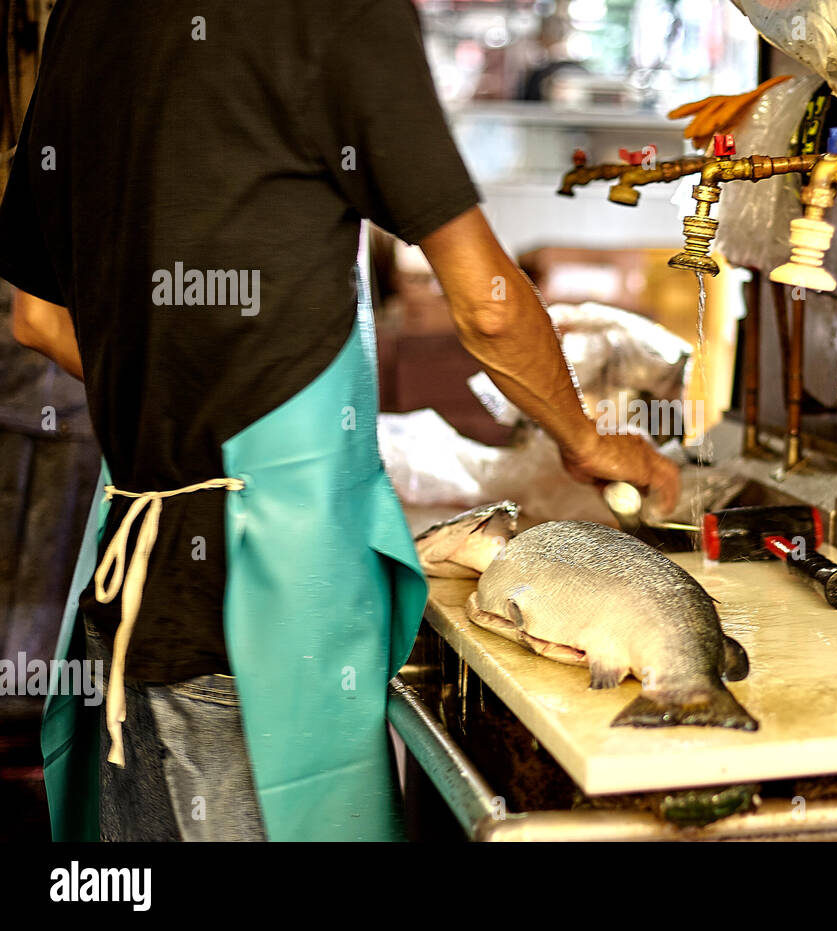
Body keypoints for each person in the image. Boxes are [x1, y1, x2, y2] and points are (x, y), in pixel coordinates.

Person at [0, 0, 679, 842]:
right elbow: (489, 304)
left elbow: (39, 318)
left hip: (126, 592)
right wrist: (587, 438)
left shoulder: (84, 16)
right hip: (261, 616)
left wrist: (176, 417)